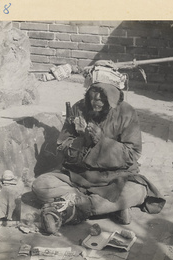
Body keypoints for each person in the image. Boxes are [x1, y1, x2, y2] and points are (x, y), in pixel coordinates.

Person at [32, 63, 166, 233]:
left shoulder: (127, 113)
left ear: (114, 96)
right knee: (41, 185)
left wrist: (102, 142)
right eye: (93, 93)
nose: (96, 100)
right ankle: (111, 208)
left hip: (114, 177)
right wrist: (82, 140)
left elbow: (132, 154)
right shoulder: (78, 108)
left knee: (138, 191)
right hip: (79, 175)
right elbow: (63, 147)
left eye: (103, 96)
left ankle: (75, 208)